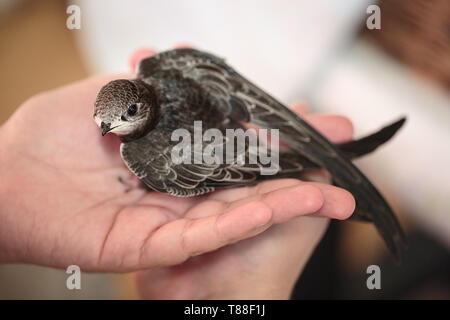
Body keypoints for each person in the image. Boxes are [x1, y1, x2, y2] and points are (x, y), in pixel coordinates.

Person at [0, 49, 355, 299]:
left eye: (125, 114)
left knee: (308, 184)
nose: (106, 127)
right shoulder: (140, 147)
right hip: (225, 143)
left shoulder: (160, 88)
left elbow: (219, 161)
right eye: (103, 118)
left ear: (141, 103)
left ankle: (324, 161)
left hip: (225, 139)